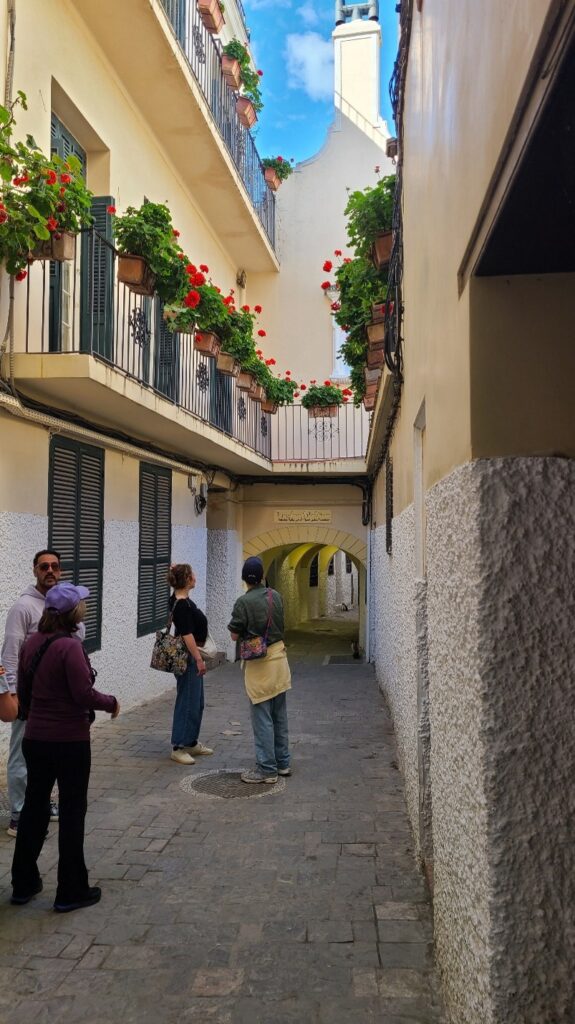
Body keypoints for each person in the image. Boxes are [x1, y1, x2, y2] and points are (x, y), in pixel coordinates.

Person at [11, 582, 119, 912]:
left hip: (36, 739)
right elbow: (83, 694)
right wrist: (111, 702)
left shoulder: (32, 644)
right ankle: (71, 889)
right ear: (73, 612)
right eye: (82, 604)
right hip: (69, 741)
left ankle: (23, 883)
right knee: (72, 813)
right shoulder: (70, 647)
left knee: (33, 809)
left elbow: (24, 688)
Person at [0, 549, 79, 837]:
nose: (50, 571)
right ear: (34, 570)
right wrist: (11, 693)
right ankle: (19, 814)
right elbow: (9, 653)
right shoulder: (23, 607)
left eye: (55, 566)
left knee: (48, 755)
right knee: (22, 754)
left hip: (58, 698)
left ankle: (43, 802)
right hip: (28, 696)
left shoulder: (63, 604)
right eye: (44, 566)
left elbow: (77, 638)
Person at [228, 557, 292, 784]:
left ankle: (267, 769)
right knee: (279, 716)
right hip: (280, 661)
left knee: (262, 717)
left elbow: (234, 635)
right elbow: (282, 625)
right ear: (263, 576)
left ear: (245, 579)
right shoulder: (276, 597)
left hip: (259, 667)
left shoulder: (243, 603)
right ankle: (283, 763)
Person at [168, 563, 213, 765]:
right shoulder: (182, 605)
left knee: (197, 702)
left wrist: (176, 567)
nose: (195, 576)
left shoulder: (181, 598)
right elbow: (187, 635)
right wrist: (198, 658)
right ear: (186, 580)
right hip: (187, 658)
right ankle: (178, 746)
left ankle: (191, 742)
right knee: (187, 702)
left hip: (190, 657)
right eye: (192, 574)